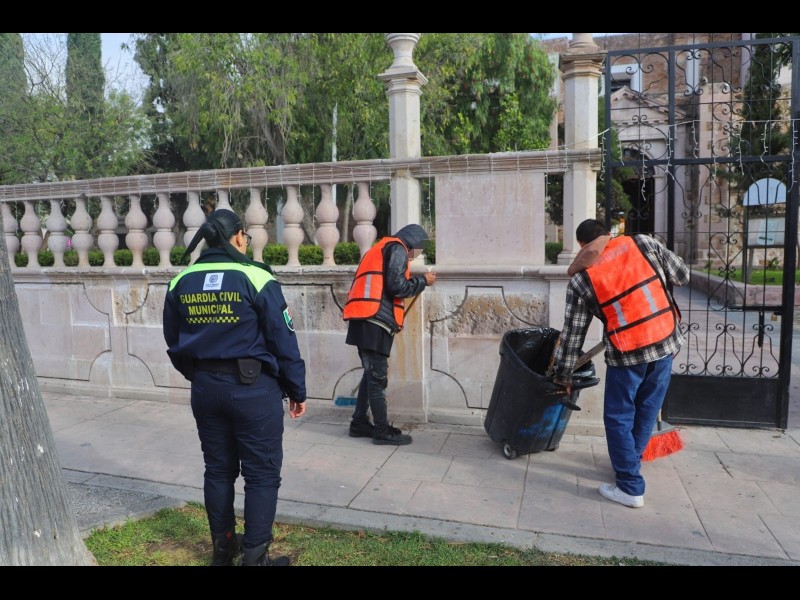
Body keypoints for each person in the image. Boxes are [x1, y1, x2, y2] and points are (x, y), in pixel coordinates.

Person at [162, 208, 306, 566]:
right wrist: (297, 389)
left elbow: (173, 340)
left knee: (218, 470)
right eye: (246, 236)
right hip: (253, 389)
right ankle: (254, 557)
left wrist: (201, 375)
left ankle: (223, 551)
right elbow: (283, 339)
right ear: (239, 236)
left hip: (205, 389)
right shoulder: (255, 276)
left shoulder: (181, 281)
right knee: (261, 474)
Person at [553, 219, 689, 508]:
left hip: (626, 353)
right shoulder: (644, 243)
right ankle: (630, 465)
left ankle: (629, 485)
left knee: (619, 417)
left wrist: (563, 375)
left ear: (581, 245)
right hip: (664, 341)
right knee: (647, 410)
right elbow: (682, 275)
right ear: (608, 234)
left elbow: (573, 334)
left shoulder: (581, 279)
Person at [343, 224, 436, 445]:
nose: (417, 255)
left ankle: (358, 423)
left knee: (370, 375)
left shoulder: (379, 248)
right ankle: (382, 431)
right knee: (377, 379)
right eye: (419, 249)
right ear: (413, 242)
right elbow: (397, 286)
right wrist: (423, 281)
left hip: (363, 319)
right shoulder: (398, 249)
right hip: (375, 321)